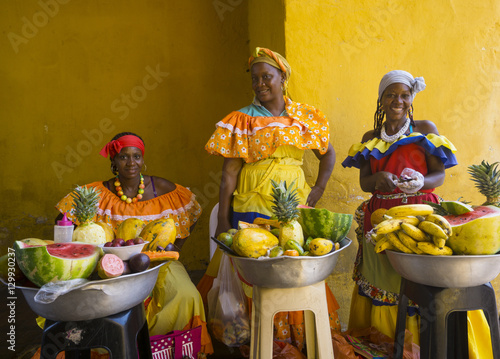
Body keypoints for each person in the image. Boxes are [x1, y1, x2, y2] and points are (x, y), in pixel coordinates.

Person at [342, 70, 493, 358]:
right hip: (381, 221)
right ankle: (387, 347)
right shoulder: (370, 137)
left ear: (411, 99)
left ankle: (428, 347)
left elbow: (438, 175)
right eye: (391, 94)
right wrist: (379, 178)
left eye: (404, 95)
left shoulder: (424, 129)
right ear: (381, 100)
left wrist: (422, 181)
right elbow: (364, 182)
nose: (397, 100)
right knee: (386, 284)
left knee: (421, 285)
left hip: (422, 217)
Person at [197, 47, 339, 352]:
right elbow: (230, 173)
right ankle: (255, 340)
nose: (260, 83)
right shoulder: (242, 120)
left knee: (291, 261)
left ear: (282, 78)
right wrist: (223, 216)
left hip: (292, 203)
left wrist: (317, 191)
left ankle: (292, 341)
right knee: (256, 268)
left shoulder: (303, 116)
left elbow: (329, 154)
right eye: (255, 78)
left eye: (267, 76)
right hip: (251, 203)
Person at [55, 132, 214, 356]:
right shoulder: (98, 193)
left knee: (187, 294)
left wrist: (175, 248)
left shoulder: (162, 188)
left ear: (143, 158)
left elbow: (193, 210)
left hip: (158, 263)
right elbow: (64, 218)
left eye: (136, 156)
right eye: (123, 157)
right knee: (103, 306)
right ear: (113, 161)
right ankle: (125, 348)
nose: (131, 163)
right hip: (112, 269)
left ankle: (173, 349)